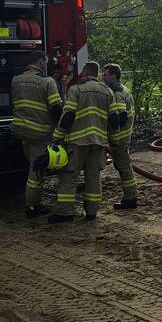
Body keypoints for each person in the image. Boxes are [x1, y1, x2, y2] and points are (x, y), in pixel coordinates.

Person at [49, 61, 125, 223]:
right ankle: (91, 212)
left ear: (84, 73)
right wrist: (114, 141)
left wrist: (57, 137)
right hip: (98, 143)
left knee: (69, 176)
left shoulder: (76, 90)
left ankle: (64, 213)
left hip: (77, 142)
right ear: (97, 74)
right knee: (93, 177)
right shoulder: (107, 92)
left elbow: (68, 116)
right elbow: (114, 120)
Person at [10, 50, 62, 218]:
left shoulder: (16, 80)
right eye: (46, 62)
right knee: (37, 169)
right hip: (39, 133)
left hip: (20, 130)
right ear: (40, 62)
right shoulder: (47, 82)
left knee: (31, 162)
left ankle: (32, 201)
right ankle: (32, 206)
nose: (46, 65)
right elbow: (56, 108)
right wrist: (61, 130)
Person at [103, 63, 138, 209]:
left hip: (120, 138)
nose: (103, 77)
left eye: (105, 74)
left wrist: (113, 139)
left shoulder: (117, 93)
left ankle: (130, 198)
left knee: (123, 166)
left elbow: (120, 116)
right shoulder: (124, 89)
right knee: (122, 165)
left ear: (113, 75)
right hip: (126, 135)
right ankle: (130, 196)